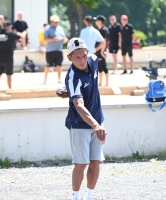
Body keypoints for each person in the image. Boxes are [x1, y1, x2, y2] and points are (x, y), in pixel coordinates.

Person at [57, 38, 107, 200]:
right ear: (69, 58)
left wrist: (97, 125)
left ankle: (89, 197)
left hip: (97, 120)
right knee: (81, 163)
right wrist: (95, 125)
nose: (82, 60)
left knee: (95, 162)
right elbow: (79, 105)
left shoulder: (93, 59)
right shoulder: (73, 78)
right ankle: (75, 197)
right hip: (79, 124)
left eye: (84, 55)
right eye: (77, 57)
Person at [0, 21, 26, 90]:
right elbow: (21, 38)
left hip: (0, 57)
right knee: (9, 75)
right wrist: (23, 33)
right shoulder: (11, 34)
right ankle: (10, 89)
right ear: (9, 27)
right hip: (9, 58)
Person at [44, 15, 68, 84]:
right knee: (48, 65)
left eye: (57, 22)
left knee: (59, 64)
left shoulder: (60, 28)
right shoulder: (48, 29)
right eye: (55, 22)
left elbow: (64, 38)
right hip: (50, 51)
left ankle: (59, 78)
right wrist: (54, 39)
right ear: (51, 22)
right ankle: (45, 77)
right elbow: (45, 39)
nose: (56, 23)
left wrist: (64, 40)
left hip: (59, 50)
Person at [95, 15, 109, 86]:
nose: (96, 22)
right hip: (98, 52)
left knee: (104, 67)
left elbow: (104, 41)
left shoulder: (104, 30)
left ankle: (107, 83)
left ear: (100, 21)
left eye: (97, 20)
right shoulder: (98, 30)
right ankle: (100, 83)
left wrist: (101, 51)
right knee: (99, 68)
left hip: (101, 51)